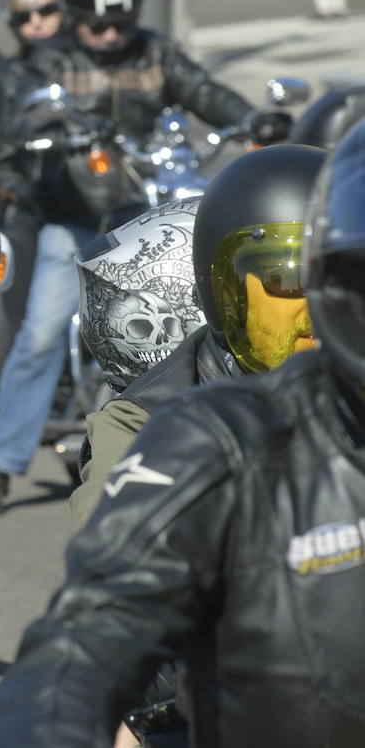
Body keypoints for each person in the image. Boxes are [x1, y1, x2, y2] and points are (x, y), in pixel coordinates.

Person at [0, 120, 365, 748]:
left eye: (344, 278)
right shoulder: (179, 434)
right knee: (40, 335)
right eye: (287, 280)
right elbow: (101, 620)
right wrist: (48, 714)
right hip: (223, 708)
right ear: (225, 293)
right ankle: (0, 458)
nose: (316, 308)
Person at [0, 0, 289, 518]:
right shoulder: (50, 63)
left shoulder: (155, 53)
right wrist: (48, 137)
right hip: (76, 218)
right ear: (75, 16)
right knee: (42, 333)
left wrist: (251, 117)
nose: (112, 34)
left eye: (121, 22)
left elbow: (203, 91)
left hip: (147, 214)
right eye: (98, 24)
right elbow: (21, 120)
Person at [70, 144, 325, 528]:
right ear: (229, 296)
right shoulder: (146, 427)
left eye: (352, 274)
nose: (326, 302)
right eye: (290, 278)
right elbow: (117, 538)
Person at [0, 0, 69, 397]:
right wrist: (25, 191)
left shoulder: (92, 65)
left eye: (47, 9)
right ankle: (17, 378)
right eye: (24, 14)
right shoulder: (6, 76)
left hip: (102, 197)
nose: (37, 21)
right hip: (37, 204)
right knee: (18, 277)